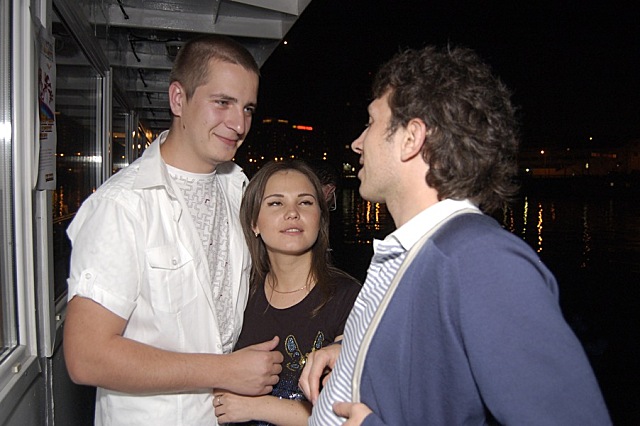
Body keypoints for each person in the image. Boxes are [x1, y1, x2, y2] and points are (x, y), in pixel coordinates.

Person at [299, 46, 612, 425]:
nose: (357, 143)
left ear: (411, 138)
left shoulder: (481, 260)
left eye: (371, 122)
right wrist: (360, 351)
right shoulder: (423, 250)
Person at [63, 34, 283, 425]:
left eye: (247, 108)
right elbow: (86, 356)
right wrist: (224, 370)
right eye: (223, 102)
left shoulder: (239, 189)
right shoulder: (122, 205)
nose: (239, 124)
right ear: (178, 99)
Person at [212, 160, 361, 425]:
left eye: (305, 202)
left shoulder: (348, 297)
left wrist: (257, 407)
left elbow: (347, 412)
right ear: (254, 223)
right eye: (276, 203)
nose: (292, 213)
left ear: (320, 217)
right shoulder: (238, 293)